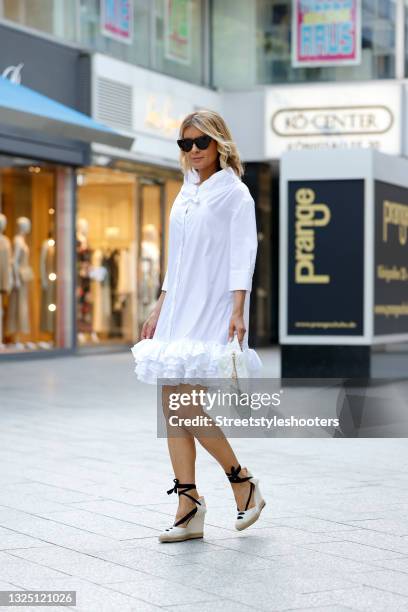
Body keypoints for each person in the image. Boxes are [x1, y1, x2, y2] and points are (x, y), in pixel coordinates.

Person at [131, 109, 265, 543]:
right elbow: (178, 258)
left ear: (219, 144)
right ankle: (188, 506)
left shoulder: (236, 195)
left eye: (200, 142)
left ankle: (241, 480)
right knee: (172, 405)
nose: (192, 151)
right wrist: (159, 305)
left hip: (213, 306)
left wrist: (238, 309)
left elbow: (243, 256)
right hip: (178, 307)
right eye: (184, 144)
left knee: (186, 405)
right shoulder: (184, 193)